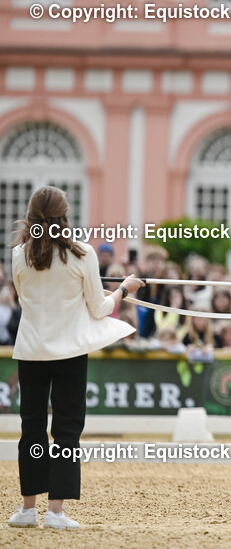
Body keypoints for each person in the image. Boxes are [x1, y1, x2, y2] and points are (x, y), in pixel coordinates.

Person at [8, 186, 143, 529]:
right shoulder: (83, 253)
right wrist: (123, 289)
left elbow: (25, 299)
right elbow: (99, 308)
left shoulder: (19, 254)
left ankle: (28, 509)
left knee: (31, 427)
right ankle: (55, 512)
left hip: (31, 350)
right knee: (66, 428)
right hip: (69, 351)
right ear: (65, 216)